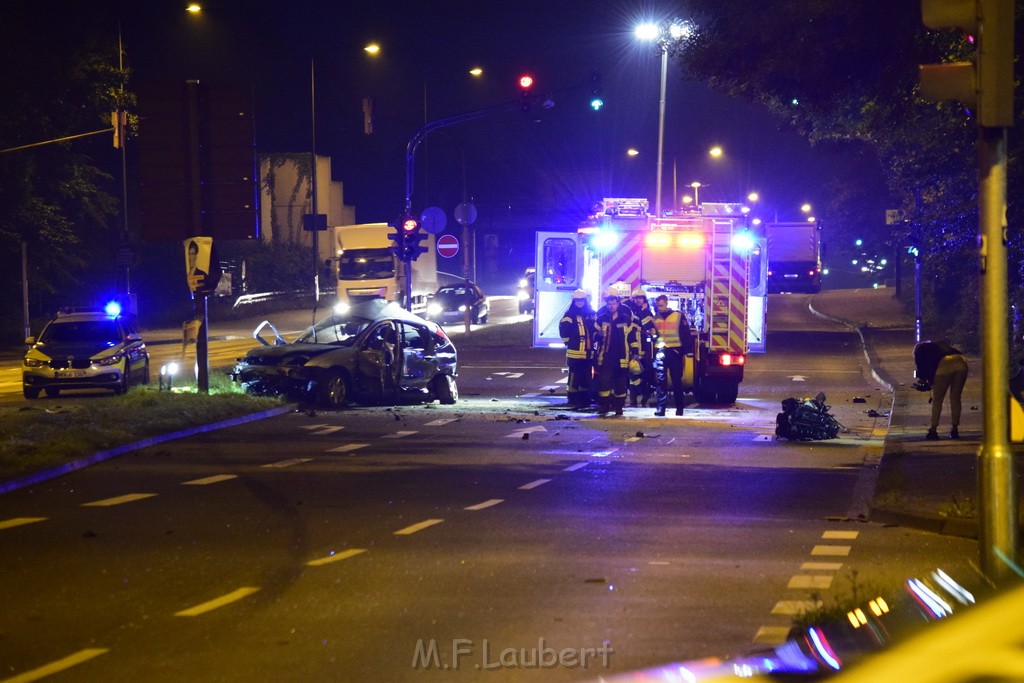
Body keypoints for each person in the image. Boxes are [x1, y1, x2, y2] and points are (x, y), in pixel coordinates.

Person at [594, 288, 639, 416]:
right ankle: (604, 405)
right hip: (606, 356)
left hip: (622, 356)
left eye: (614, 303)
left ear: (618, 304)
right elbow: (593, 337)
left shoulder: (625, 319)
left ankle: (618, 407)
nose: (611, 306)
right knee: (604, 383)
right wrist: (598, 334)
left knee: (620, 384)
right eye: (609, 304)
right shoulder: (600, 319)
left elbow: (632, 338)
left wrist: (635, 353)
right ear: (606, 304)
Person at [914, 340, 968, 439]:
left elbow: (921, 371)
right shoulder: (939, 345)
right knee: (956, 397)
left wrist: (924, 383)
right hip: (961, 362)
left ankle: (933, 430)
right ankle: (955, 429)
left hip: (944, 364)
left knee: (938, 399)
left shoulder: (919, 351)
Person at [653, 295, 694, 416]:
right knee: (661, 382)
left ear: (666, 304)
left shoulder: (678, 316)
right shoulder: (655, 318)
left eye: (661, 305)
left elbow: (686, 334)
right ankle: (661, 409)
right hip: (661, 352)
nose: (659, 308)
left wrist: (687, 351)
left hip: (674, 352)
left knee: (677, 381)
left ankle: (679, 408)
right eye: (658, 306)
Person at [558, 289, 596, 408]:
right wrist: (569, 342)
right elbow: (563, 329)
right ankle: (573, 398)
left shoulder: (591, 314)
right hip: (574, 352)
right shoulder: (570, 315)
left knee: (586, 375)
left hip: (587, 352)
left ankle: (584, 398)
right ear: (573, 302)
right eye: (577, 301)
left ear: (585, 301)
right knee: (574, 375)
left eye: (581, 301)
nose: (579, 303)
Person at [625, 287, 657, 407]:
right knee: (632, 373)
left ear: (644, 299)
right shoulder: (631, 311)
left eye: (641, 298)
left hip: (643, 347)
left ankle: (642, 394)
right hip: (632, 345)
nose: (638, 300)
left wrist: (643, 312)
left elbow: (647, 325)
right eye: (636, 298)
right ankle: (638, 396)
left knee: (639, 372)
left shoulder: (647, 312)